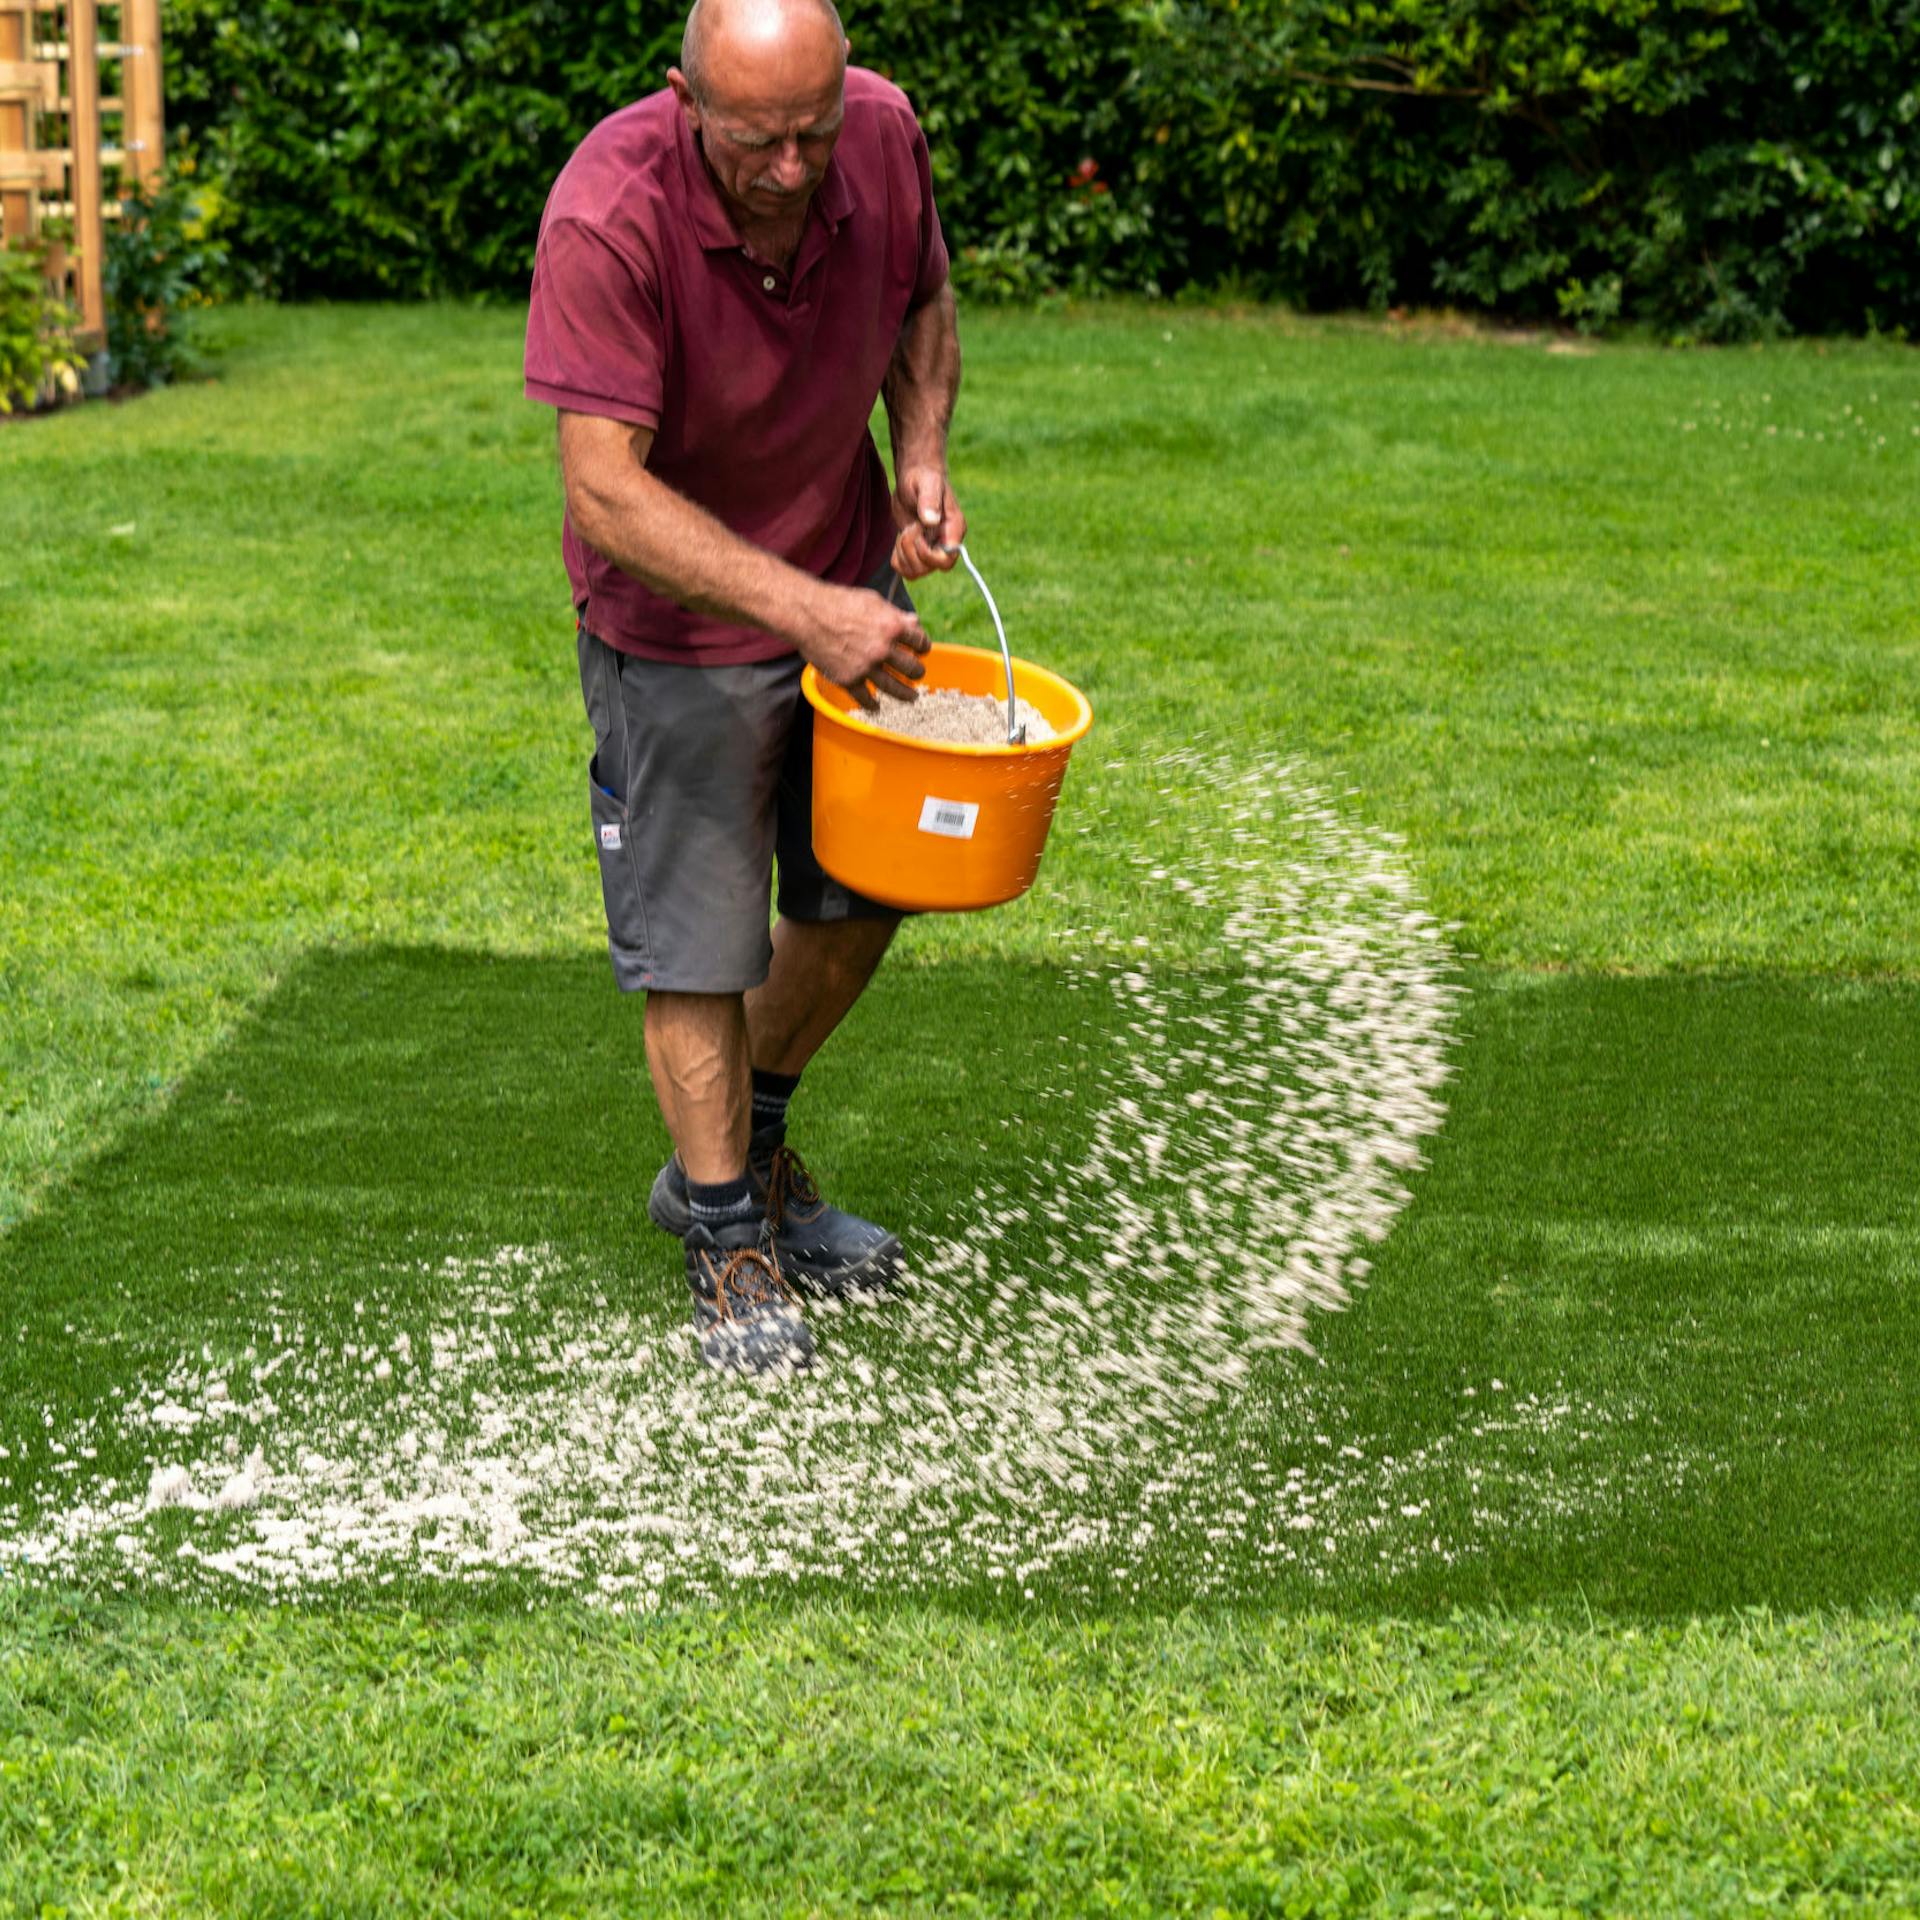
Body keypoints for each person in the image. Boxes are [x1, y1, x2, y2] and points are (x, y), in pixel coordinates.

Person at [523, 0, 964, 1373]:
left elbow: (926, 298)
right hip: (678, 631)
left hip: (841, 574)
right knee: (699, 944)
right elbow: (603, 489)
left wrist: (925, 452)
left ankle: (747, 1150)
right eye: (760, 139)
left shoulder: (880, 137)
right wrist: (802, 610)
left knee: (868, 888)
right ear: (685, 98)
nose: (793, 167)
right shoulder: (608, 211)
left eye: (813, 132)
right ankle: (727, 1244)